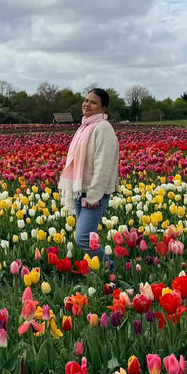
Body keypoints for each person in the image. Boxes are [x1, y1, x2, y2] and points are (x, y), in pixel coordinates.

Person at [58, 88, 120, 270]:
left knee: (83, 238)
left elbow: (103, 165)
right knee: (87, 236)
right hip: (80, 190)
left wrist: (94, 196)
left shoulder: (103, 128)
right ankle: (99, 271)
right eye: (86, 100)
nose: (87, 104)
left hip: (94, 194)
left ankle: (111, 269)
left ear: (103, 108)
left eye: (93, 102)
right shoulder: (84, 127)